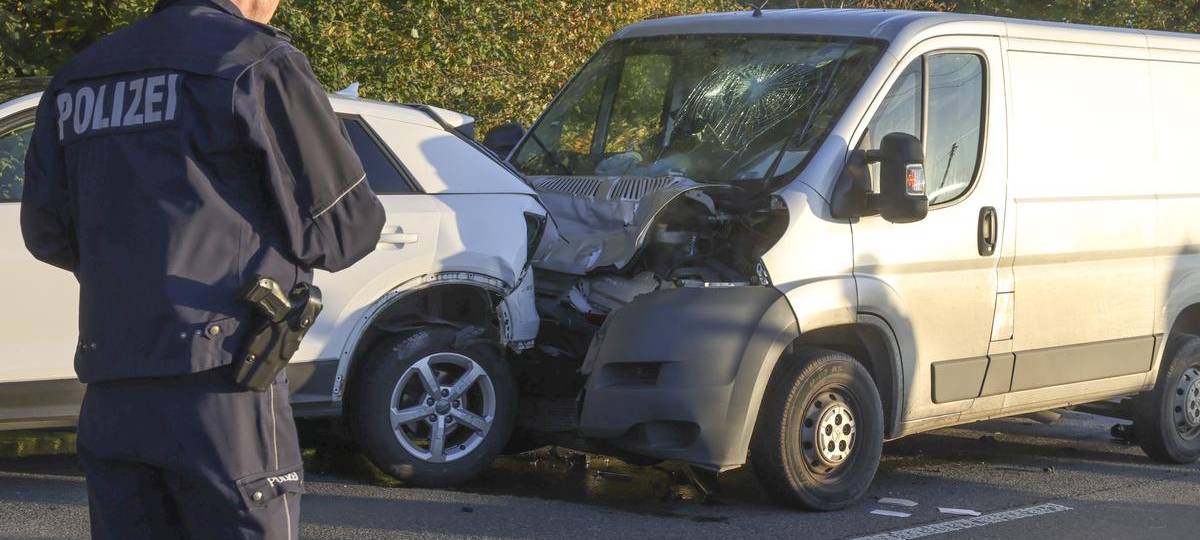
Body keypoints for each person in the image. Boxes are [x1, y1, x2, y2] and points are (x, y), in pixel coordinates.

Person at [20, 0, 386, 537]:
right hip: (225, 383)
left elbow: (47, 232)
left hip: (113, 382)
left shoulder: (83, 74)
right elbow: (345, 231)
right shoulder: (256, 61)